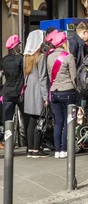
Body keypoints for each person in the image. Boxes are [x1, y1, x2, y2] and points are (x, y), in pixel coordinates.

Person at [47, 32, 78, 159]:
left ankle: (57, 150)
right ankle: (65, 149)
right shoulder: (69, 57)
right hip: (68, 91)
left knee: (58, 122)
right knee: (68, 122)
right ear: (65, 43)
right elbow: (74, 77)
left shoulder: (49, 57)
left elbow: (50, 75)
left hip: (54, 92)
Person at [23, 30, 50, 158]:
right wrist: (46, 97)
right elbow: (43, 77)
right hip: (38, 91)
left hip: (29, 90)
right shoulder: (41, 57)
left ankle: (29, 149)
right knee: (40, 120)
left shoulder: (26, 57)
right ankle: (36, 149)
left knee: (31, 121)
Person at [1, 35, 25, 138]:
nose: (20, 45)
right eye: (19, 44)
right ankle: (29, 143)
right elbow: (25, 74)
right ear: (16, 46)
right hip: (20, 92)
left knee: (7, 119)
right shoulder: (21, 58)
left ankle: (8, 142)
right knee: (26, 118)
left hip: (7, 91)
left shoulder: (4, 60)